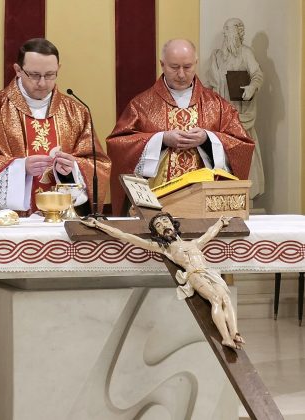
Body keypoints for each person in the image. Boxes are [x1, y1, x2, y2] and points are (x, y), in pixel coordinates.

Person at [0, 37, 111, 216]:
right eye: (35, 75)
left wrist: (71, 170)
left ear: (58, 69)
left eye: (50, 75)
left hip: (61, 220)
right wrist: (20, 168)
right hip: (11, 221)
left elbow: (98, 164)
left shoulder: (76, 112)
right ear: (18, 70)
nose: (42, 83)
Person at [106, 39, 254, 216]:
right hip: (158, 202)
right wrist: (161, 139)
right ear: (162, 64)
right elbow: (118, 144)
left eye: (188, 67)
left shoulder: (217, 105)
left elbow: (242, 144)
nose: (181, 74)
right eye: (174, 67)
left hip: (203, 202)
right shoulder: (142, 105)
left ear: (196, 63)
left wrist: (208, 139)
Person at [83, 212, 245, 350]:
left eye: (165, 222)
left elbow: (210, 233)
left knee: (226, 298)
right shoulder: (164, 248)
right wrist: (98, 224)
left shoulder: (195, 243)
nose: (164, 226)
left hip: (209, 272)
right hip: (194, 274)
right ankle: (226, 338)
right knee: (215, 299)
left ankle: (235, 333)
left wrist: (221, 222)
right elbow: (125, 236)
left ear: (173, 225)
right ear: (158, 233)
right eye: (159, 226)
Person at [206, 18, 265, 199]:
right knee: (222, 153)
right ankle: (225, 192)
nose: (224, 33)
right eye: (224, 29)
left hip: (240, 113)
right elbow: (209, 85)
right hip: (221, 115)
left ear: (237, 32)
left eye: (227, 29)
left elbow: (257, 75)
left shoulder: (246, 53)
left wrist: (251, 88)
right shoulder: (218, 56)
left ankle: (247, 192)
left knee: (245, 151)